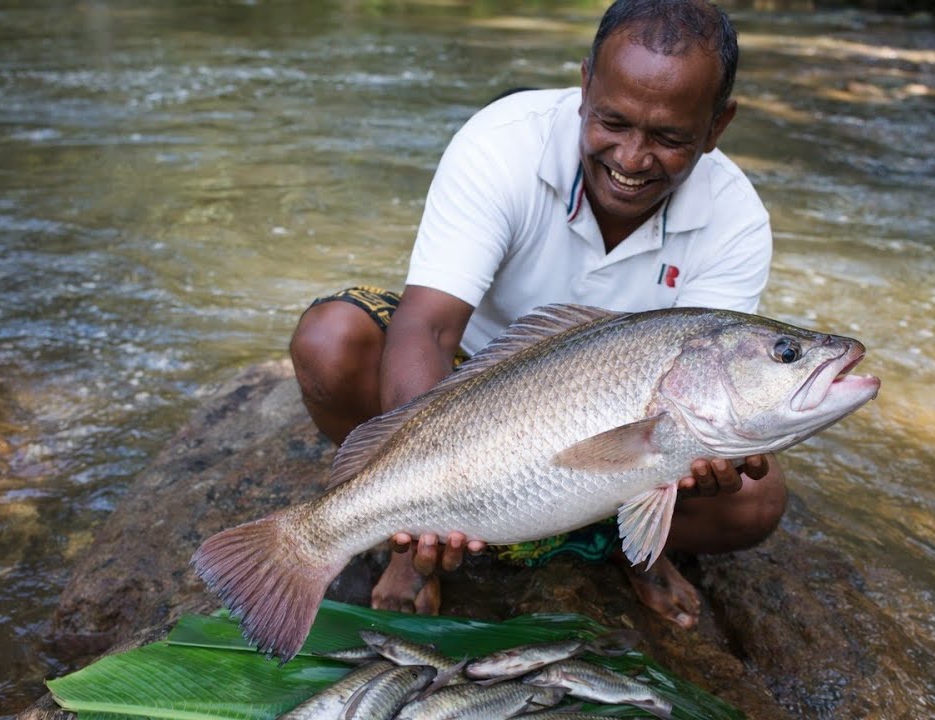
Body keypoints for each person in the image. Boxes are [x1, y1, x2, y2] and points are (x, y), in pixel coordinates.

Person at [289, 0, 785, 629]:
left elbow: (710, 394)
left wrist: (697, 463)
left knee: (755, 499)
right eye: (612, 121)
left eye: (669, 138)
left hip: (625, 416)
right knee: (332, 337)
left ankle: (639, 550)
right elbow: (430, 327)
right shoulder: (501, 143)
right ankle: (410, 543)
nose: (631, 158)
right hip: (469, 383)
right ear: (584, 88)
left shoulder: (736, 220)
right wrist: (425, 505)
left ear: (717, 127)